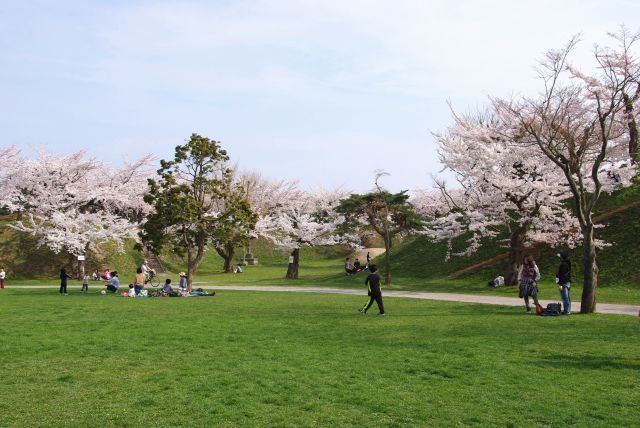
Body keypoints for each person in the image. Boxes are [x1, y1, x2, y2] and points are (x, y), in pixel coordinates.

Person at [556, 250, 572, 315]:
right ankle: (568, 310)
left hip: (564, 283)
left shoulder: (563, 265)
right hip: (567, 282)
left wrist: (561, 284)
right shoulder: (567, 263)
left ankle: (566, 311)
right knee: (567, 297)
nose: (559, 258)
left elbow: (563, 275)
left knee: (565, 298)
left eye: (560, 256)